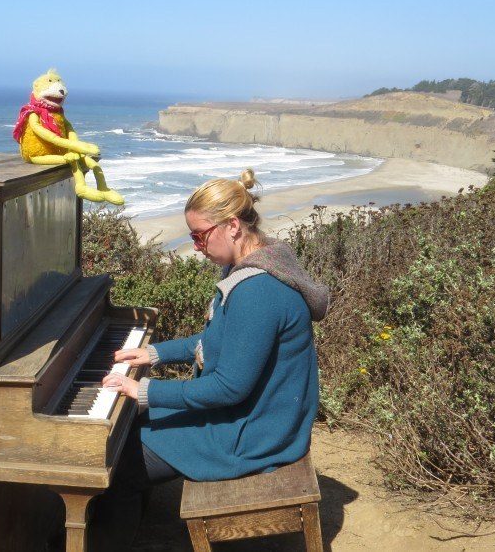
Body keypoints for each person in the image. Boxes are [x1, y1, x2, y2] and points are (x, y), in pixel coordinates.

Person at [88, 168, 330, 550]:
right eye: (192, 237)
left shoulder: (258, 291)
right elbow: (221, 339)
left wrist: (144, 388)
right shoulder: (259, 261)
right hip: (260, 414)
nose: (197, 246)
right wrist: (154, 352)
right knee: (131, 429)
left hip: (257, 432)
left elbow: (229, 388)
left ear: (232, 225)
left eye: (200, 236)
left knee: (119, 460)